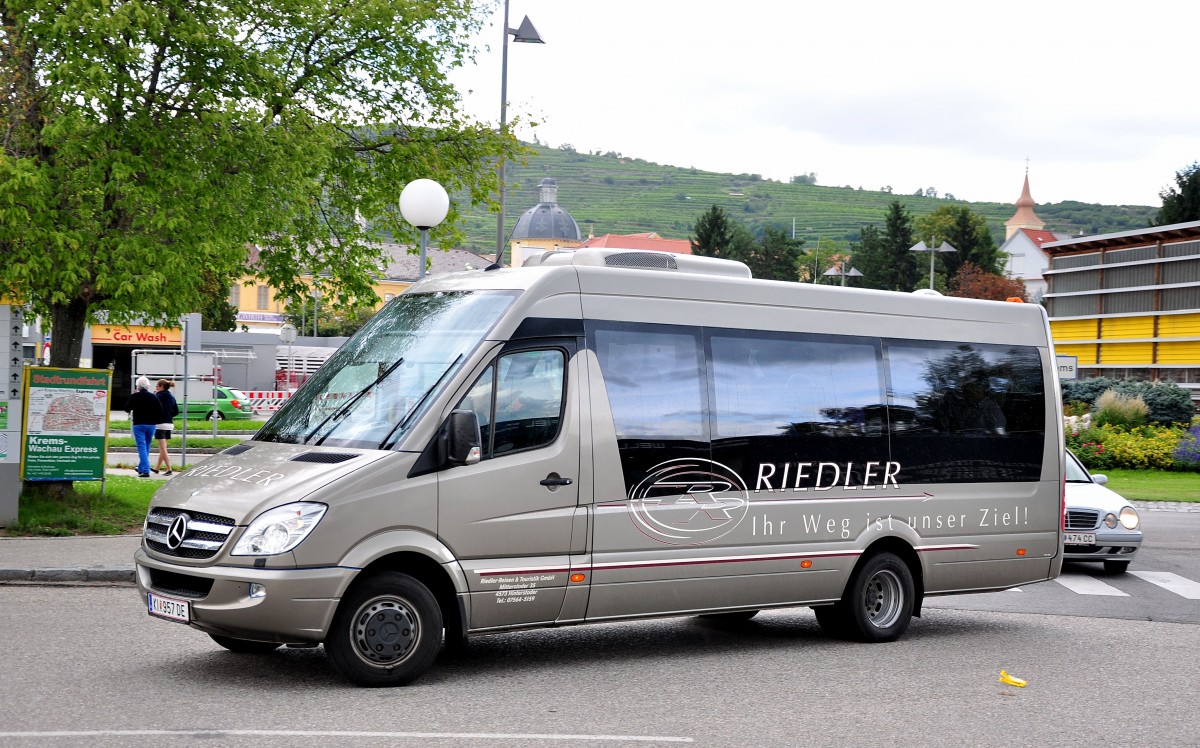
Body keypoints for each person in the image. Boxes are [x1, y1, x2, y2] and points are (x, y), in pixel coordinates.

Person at [125, 376, 165, 478]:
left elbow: (127, 409)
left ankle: (146, 470)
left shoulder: (135, 396)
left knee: (142, 447)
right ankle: (141, 468)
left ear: (138, 386)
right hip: (151, 425)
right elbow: (160, 411)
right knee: (147, 446)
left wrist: (134, 399)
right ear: (147, 386)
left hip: (139, 424)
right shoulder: (153, 396)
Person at [153, 379, 179, 475]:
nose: (156, 387)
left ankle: (169, 469)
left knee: (163, 448)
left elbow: (153, 408)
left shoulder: (158, 396)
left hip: (160, 424)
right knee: (162, 448)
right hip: (169, 424)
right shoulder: (172, 397)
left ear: (161, 386)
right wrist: (169, 415)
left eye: (157, 386)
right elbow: (176, 411)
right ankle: (157, 468)